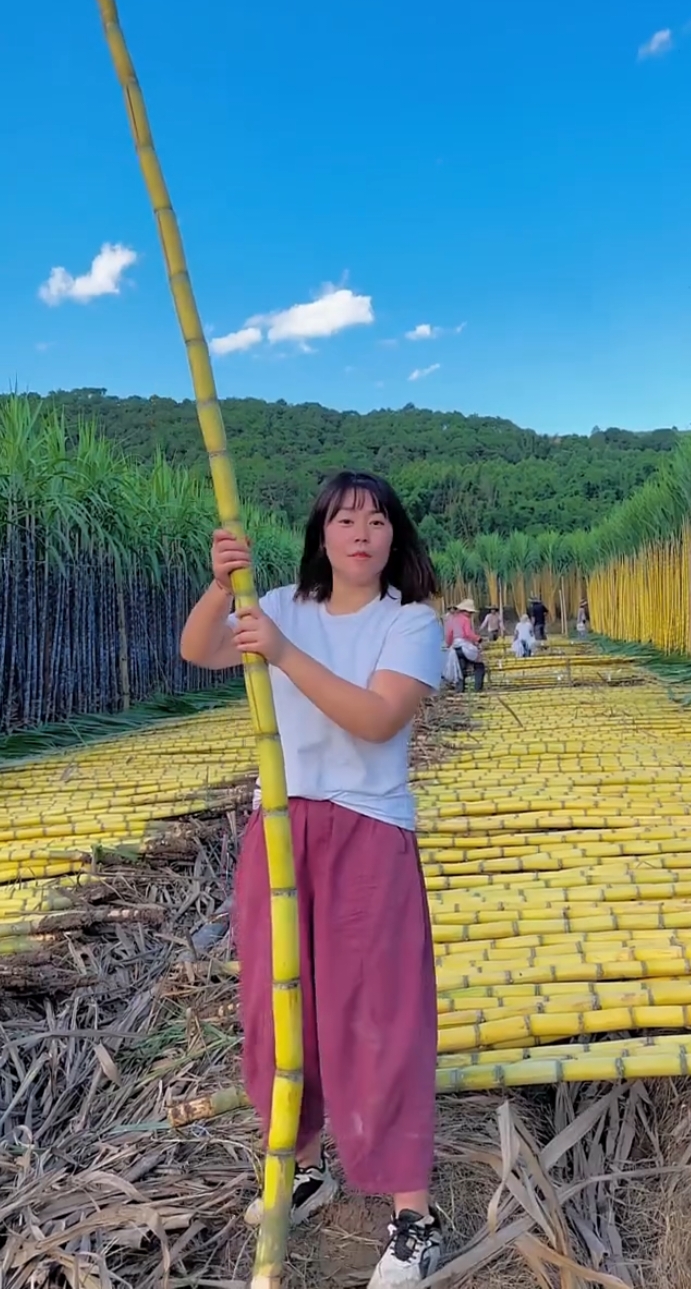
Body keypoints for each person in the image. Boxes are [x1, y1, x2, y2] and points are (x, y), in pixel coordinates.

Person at [180, 472, 444, 1287]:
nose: (359, 532)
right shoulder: (285, 603)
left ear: (393, 536)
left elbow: (375, 717)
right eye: (342, 519)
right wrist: (220, 582)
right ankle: (300, 1164)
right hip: (281, 832)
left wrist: (284, 653)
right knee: (278, 1005)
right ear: (320, 535)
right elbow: (201, 647)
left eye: (374, 519)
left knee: (378, 1015)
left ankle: (414, 1216)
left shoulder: (412, 622)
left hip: (367, 829)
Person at [444, 597, 486, 692]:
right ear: (465, 611)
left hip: (455, 648)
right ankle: (477, 690)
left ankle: (460, 690)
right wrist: (478, 639)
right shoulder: (465, 619)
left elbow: (449, 634)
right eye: (470, 612)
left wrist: (449, 644)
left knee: (460, 669)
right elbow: (467, 633)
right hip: (464, 646)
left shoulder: (452, 619)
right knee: (479, 666)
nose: (471, 614)